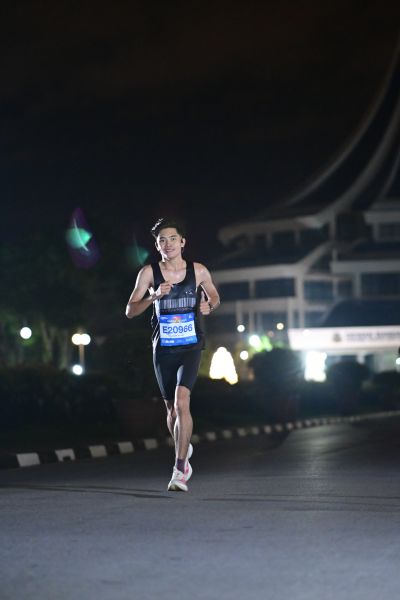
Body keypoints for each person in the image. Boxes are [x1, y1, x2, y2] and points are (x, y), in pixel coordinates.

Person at [125, 217, 220, 492]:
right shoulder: (148, 273)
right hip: (163, 349)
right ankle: (183, 445)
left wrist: (209, 306)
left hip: (191, 346)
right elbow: (130, 311)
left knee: (182, 401)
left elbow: (214, 296)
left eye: (172, 239)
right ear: (157, 246)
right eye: (162, 240)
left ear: (183, 242)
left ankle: (180, 469)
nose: (168, 244)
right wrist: (153, 297)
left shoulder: (198, 270)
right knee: (170, 410)